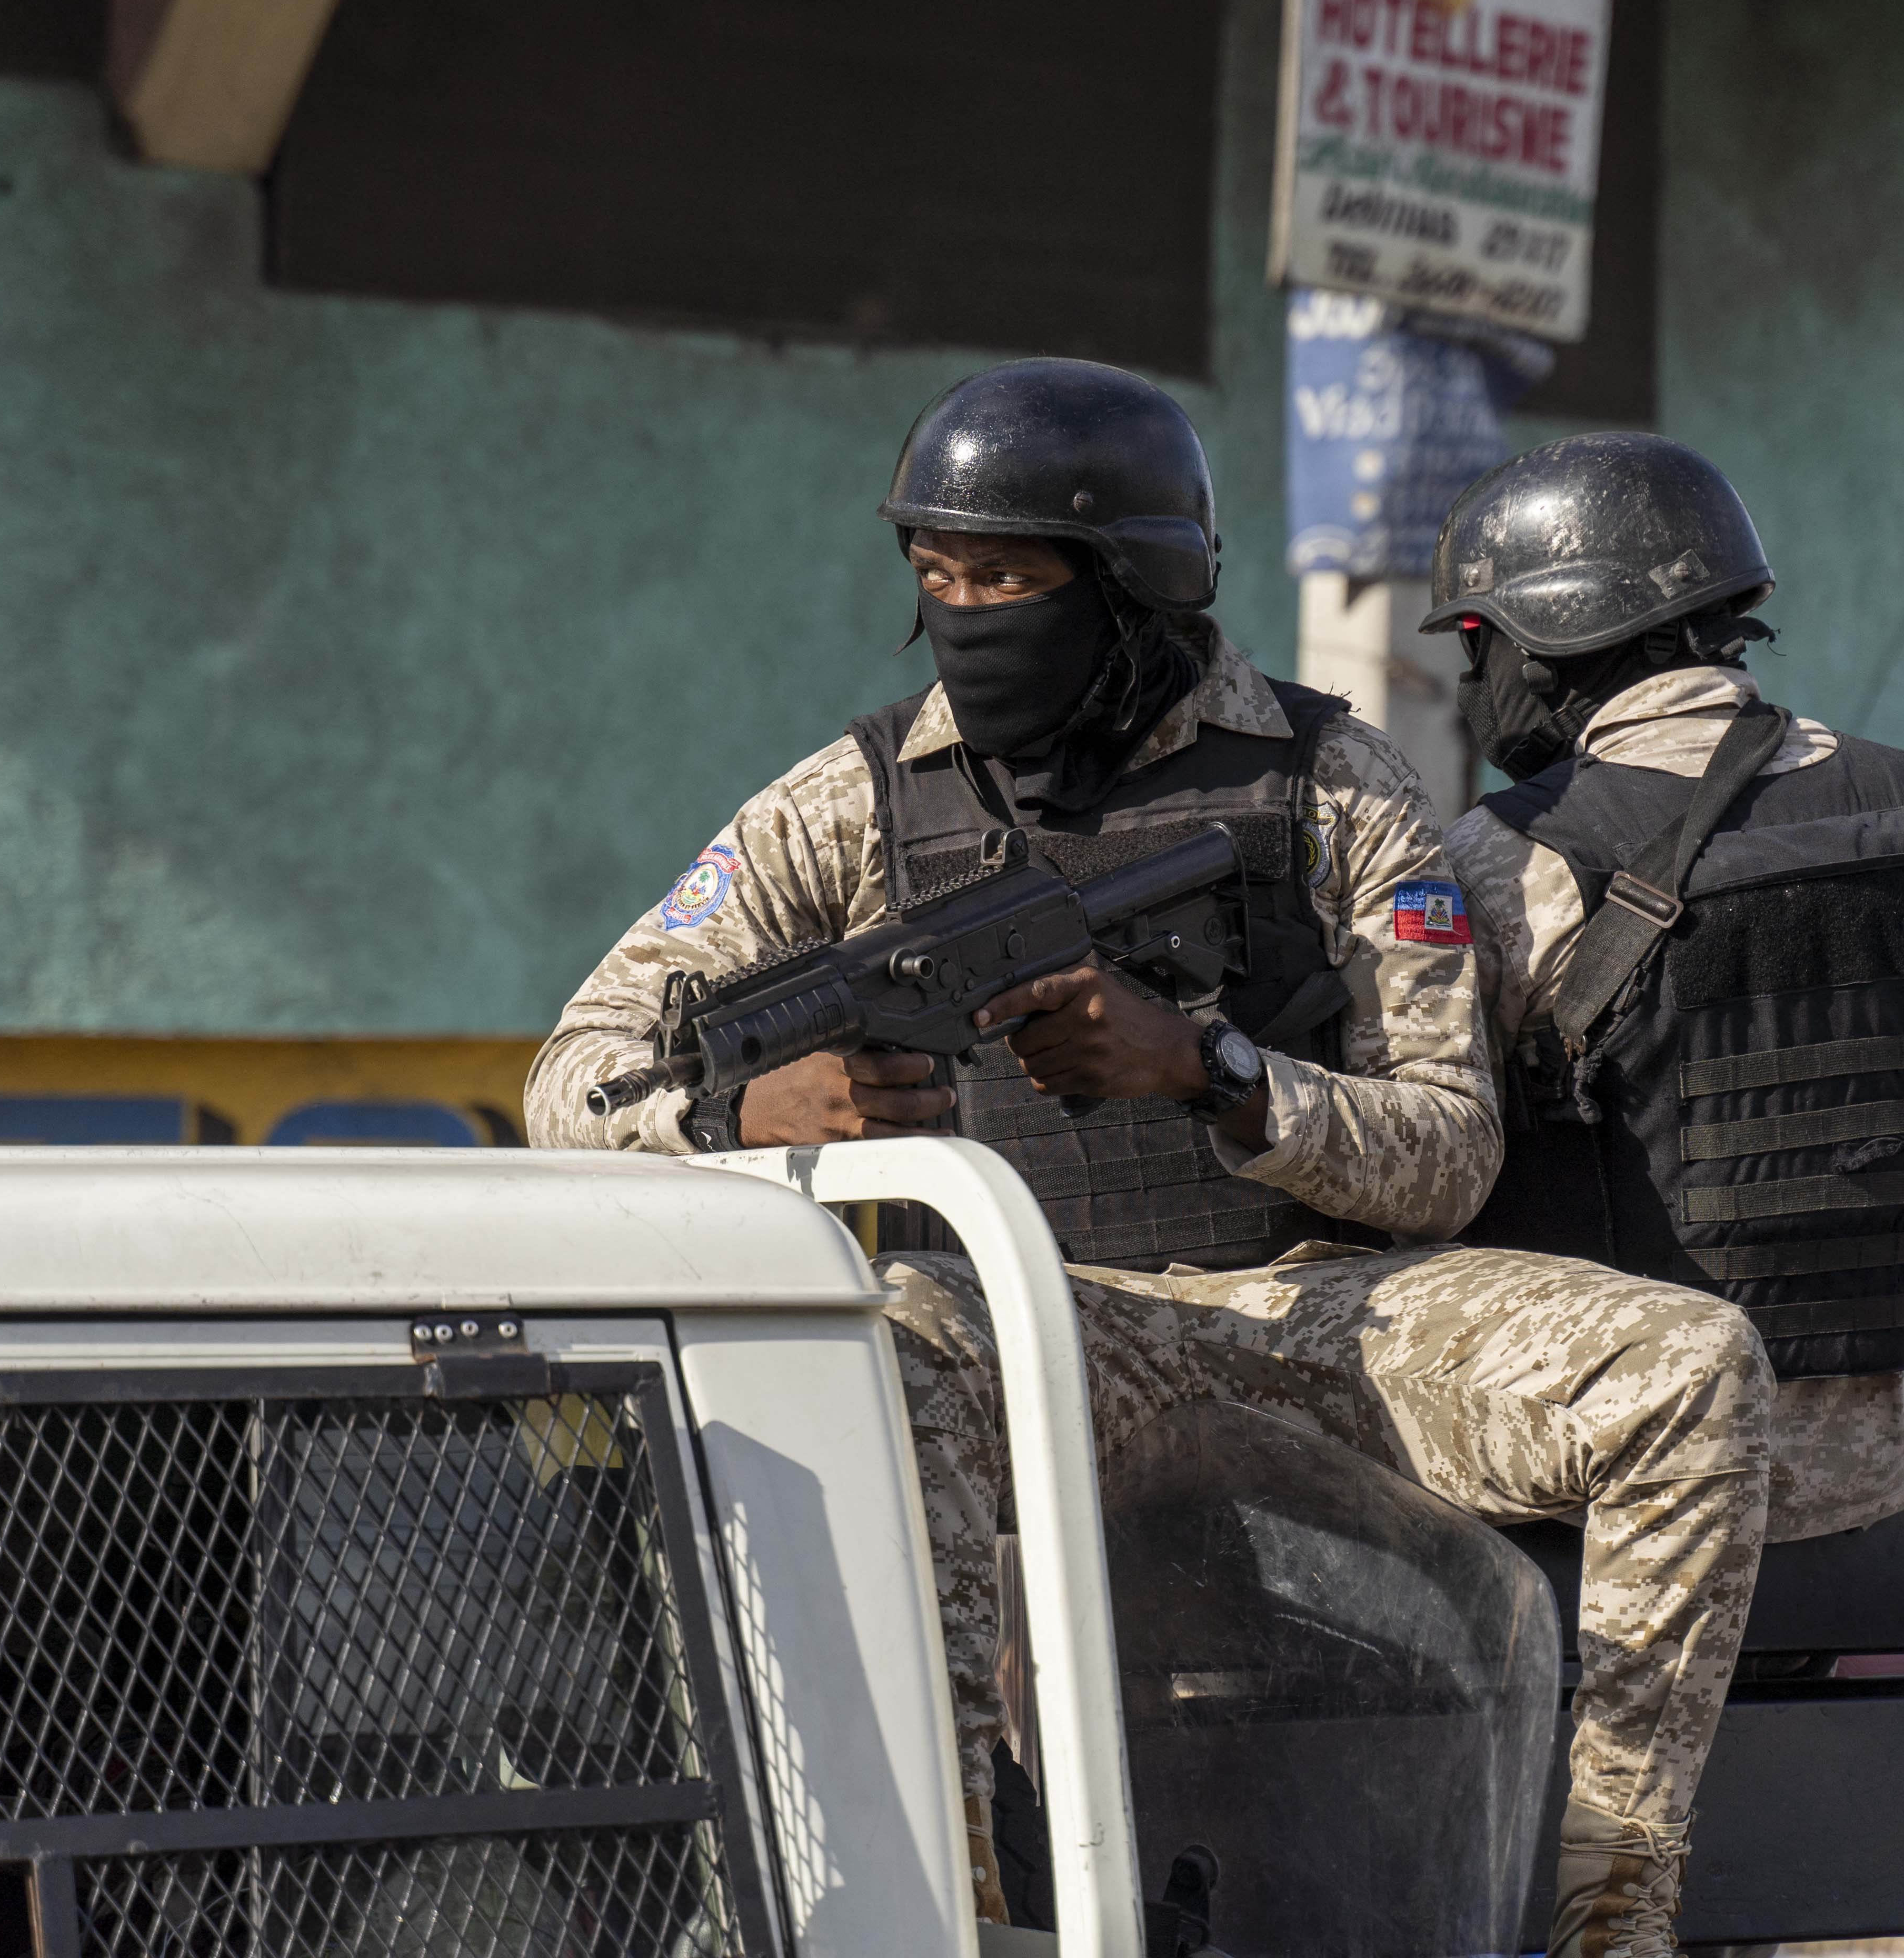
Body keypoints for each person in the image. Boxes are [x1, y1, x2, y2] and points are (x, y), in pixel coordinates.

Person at [529, 359, 1776, 1958]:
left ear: (1131, 583)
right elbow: (572, 1072)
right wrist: (745, 1117)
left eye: (1008, 576)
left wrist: (1216, 1074)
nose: (966, 609)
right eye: (938, 574)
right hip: (1032, 1329)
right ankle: (963, 1912)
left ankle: (1610, 1906)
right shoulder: (845, 803)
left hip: (1313, 1314)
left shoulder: (1332, 780)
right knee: (895, 1340)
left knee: (1684, 1367)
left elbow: (1450, 1151)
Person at [1427, 432, 1904, 1547]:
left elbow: (1418, 1181)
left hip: (1608, 1507)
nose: (1473, 680)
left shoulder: (1509, 858)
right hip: (1869, 1486)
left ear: (1558, 635)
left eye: (1479, 637)